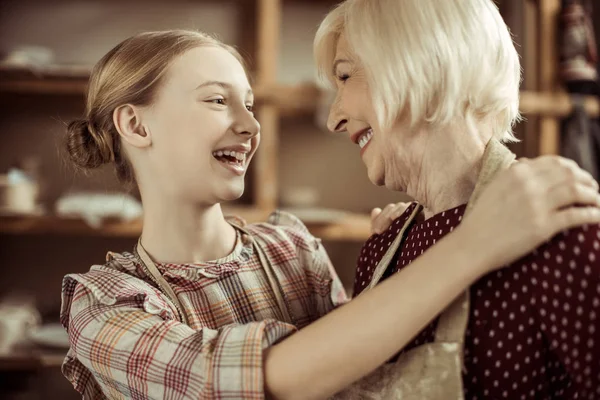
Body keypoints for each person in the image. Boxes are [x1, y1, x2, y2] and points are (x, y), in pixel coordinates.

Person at [60, 30, 600, 400]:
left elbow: (360, 372)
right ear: (134, 125)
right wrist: (476, 243)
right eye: (217, 101)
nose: (251, 125)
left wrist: (387, 268)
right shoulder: (102, 307)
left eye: (249, 103)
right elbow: (270, 379)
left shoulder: (290, 246)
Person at [315, 0, 600, 398]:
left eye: (345, 76)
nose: (334, 118)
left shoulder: (560, 229)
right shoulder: (381, 250)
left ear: (418, 64)